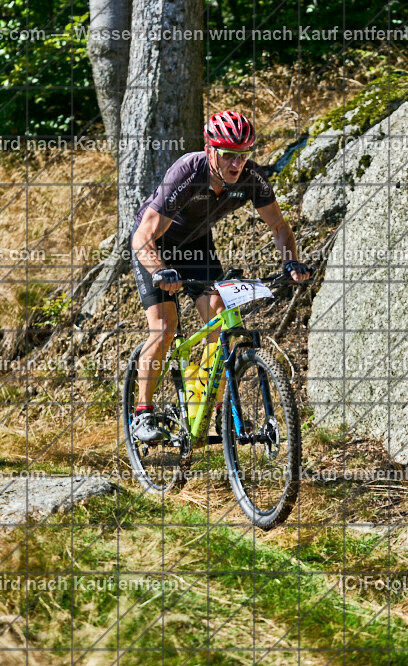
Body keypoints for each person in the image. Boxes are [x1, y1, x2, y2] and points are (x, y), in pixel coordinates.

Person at [128, 110, 310, 443]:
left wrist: (291, 262)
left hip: (197, 247)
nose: (235, 163)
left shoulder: (251, 178)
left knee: (220, 316)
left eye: (242, 155)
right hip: (156, 246)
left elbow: (279, 226)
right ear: (210, 149)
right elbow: (143, 235)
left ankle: (210, 404)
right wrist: (158, 270)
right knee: (165, 326)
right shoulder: (188, 170)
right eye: (227, 154)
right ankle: (142, 413)